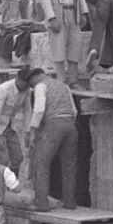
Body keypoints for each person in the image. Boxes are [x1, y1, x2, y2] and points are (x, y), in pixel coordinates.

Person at [28, 68, 77, 212]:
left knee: (41, 164)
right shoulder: (64, 86)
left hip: (54, 124)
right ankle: (70, 202)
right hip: (71, 126)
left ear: (36, 77)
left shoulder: (41, 86)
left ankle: (41, 204)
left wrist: (33, 130)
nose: (32, 86)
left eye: (31, 83)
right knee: (69, 166)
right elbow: (74, 110)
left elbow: (39, 110)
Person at [39, 0, 90, 87]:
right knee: (59, 47)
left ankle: (73, 80)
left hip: (73, 13)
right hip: (58, 13)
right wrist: (51, 18)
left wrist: (84, 13)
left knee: (75, 46)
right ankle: (61, 80)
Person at [0, 69, 33, 175]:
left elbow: (28, 111)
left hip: (9, 125)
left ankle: (12, 183)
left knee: (18, 157)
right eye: (25, 83)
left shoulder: (26, 91)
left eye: (28, 84)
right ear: (18, 79)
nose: (27, 86)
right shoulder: (4, 88)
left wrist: (27, 131)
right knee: (2, 158)